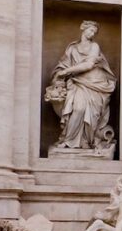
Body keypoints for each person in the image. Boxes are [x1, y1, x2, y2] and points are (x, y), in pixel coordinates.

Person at [49, 20, 117, 153]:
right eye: (90, 30)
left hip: (95, 84)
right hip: (77, 83)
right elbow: (63, 65)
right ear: (83, 28)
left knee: (91, 114)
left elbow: (89, 65)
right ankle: (69, 141)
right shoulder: (72, 48)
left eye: (94, 32)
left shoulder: (94, 46)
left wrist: (67, 71)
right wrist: (60, 73)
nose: (92, 34)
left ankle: (87, 141)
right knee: (79, 109)